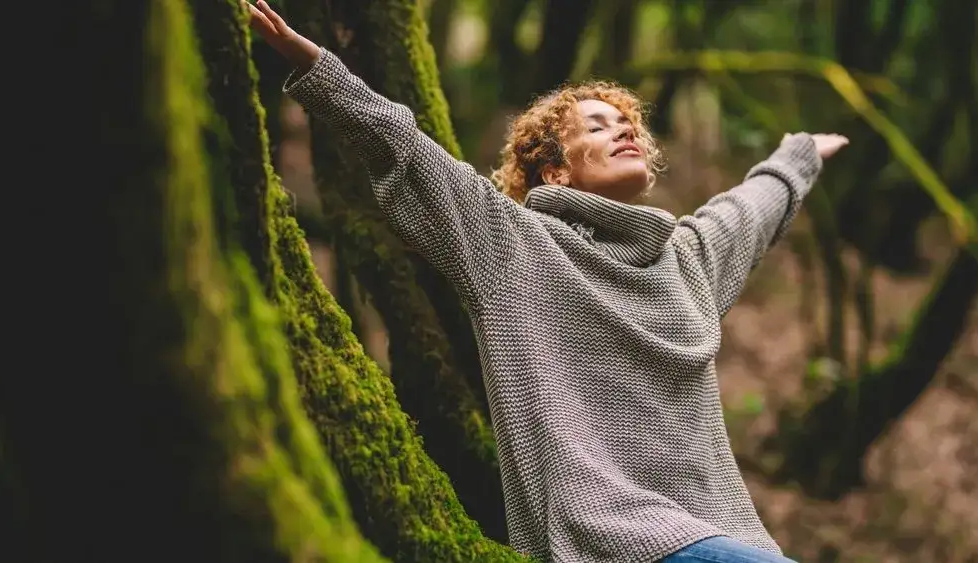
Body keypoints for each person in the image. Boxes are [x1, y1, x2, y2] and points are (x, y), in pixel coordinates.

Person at [246, 2, 849, 561]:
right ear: (555, 170)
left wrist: (801, 156)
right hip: (605, 541)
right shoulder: (513, 247)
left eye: (626, 123)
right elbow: (407, 151)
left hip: (727, 536)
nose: (624, 130)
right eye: (597, 125)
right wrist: (316, 66)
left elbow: (747, 210)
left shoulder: (685, 260)